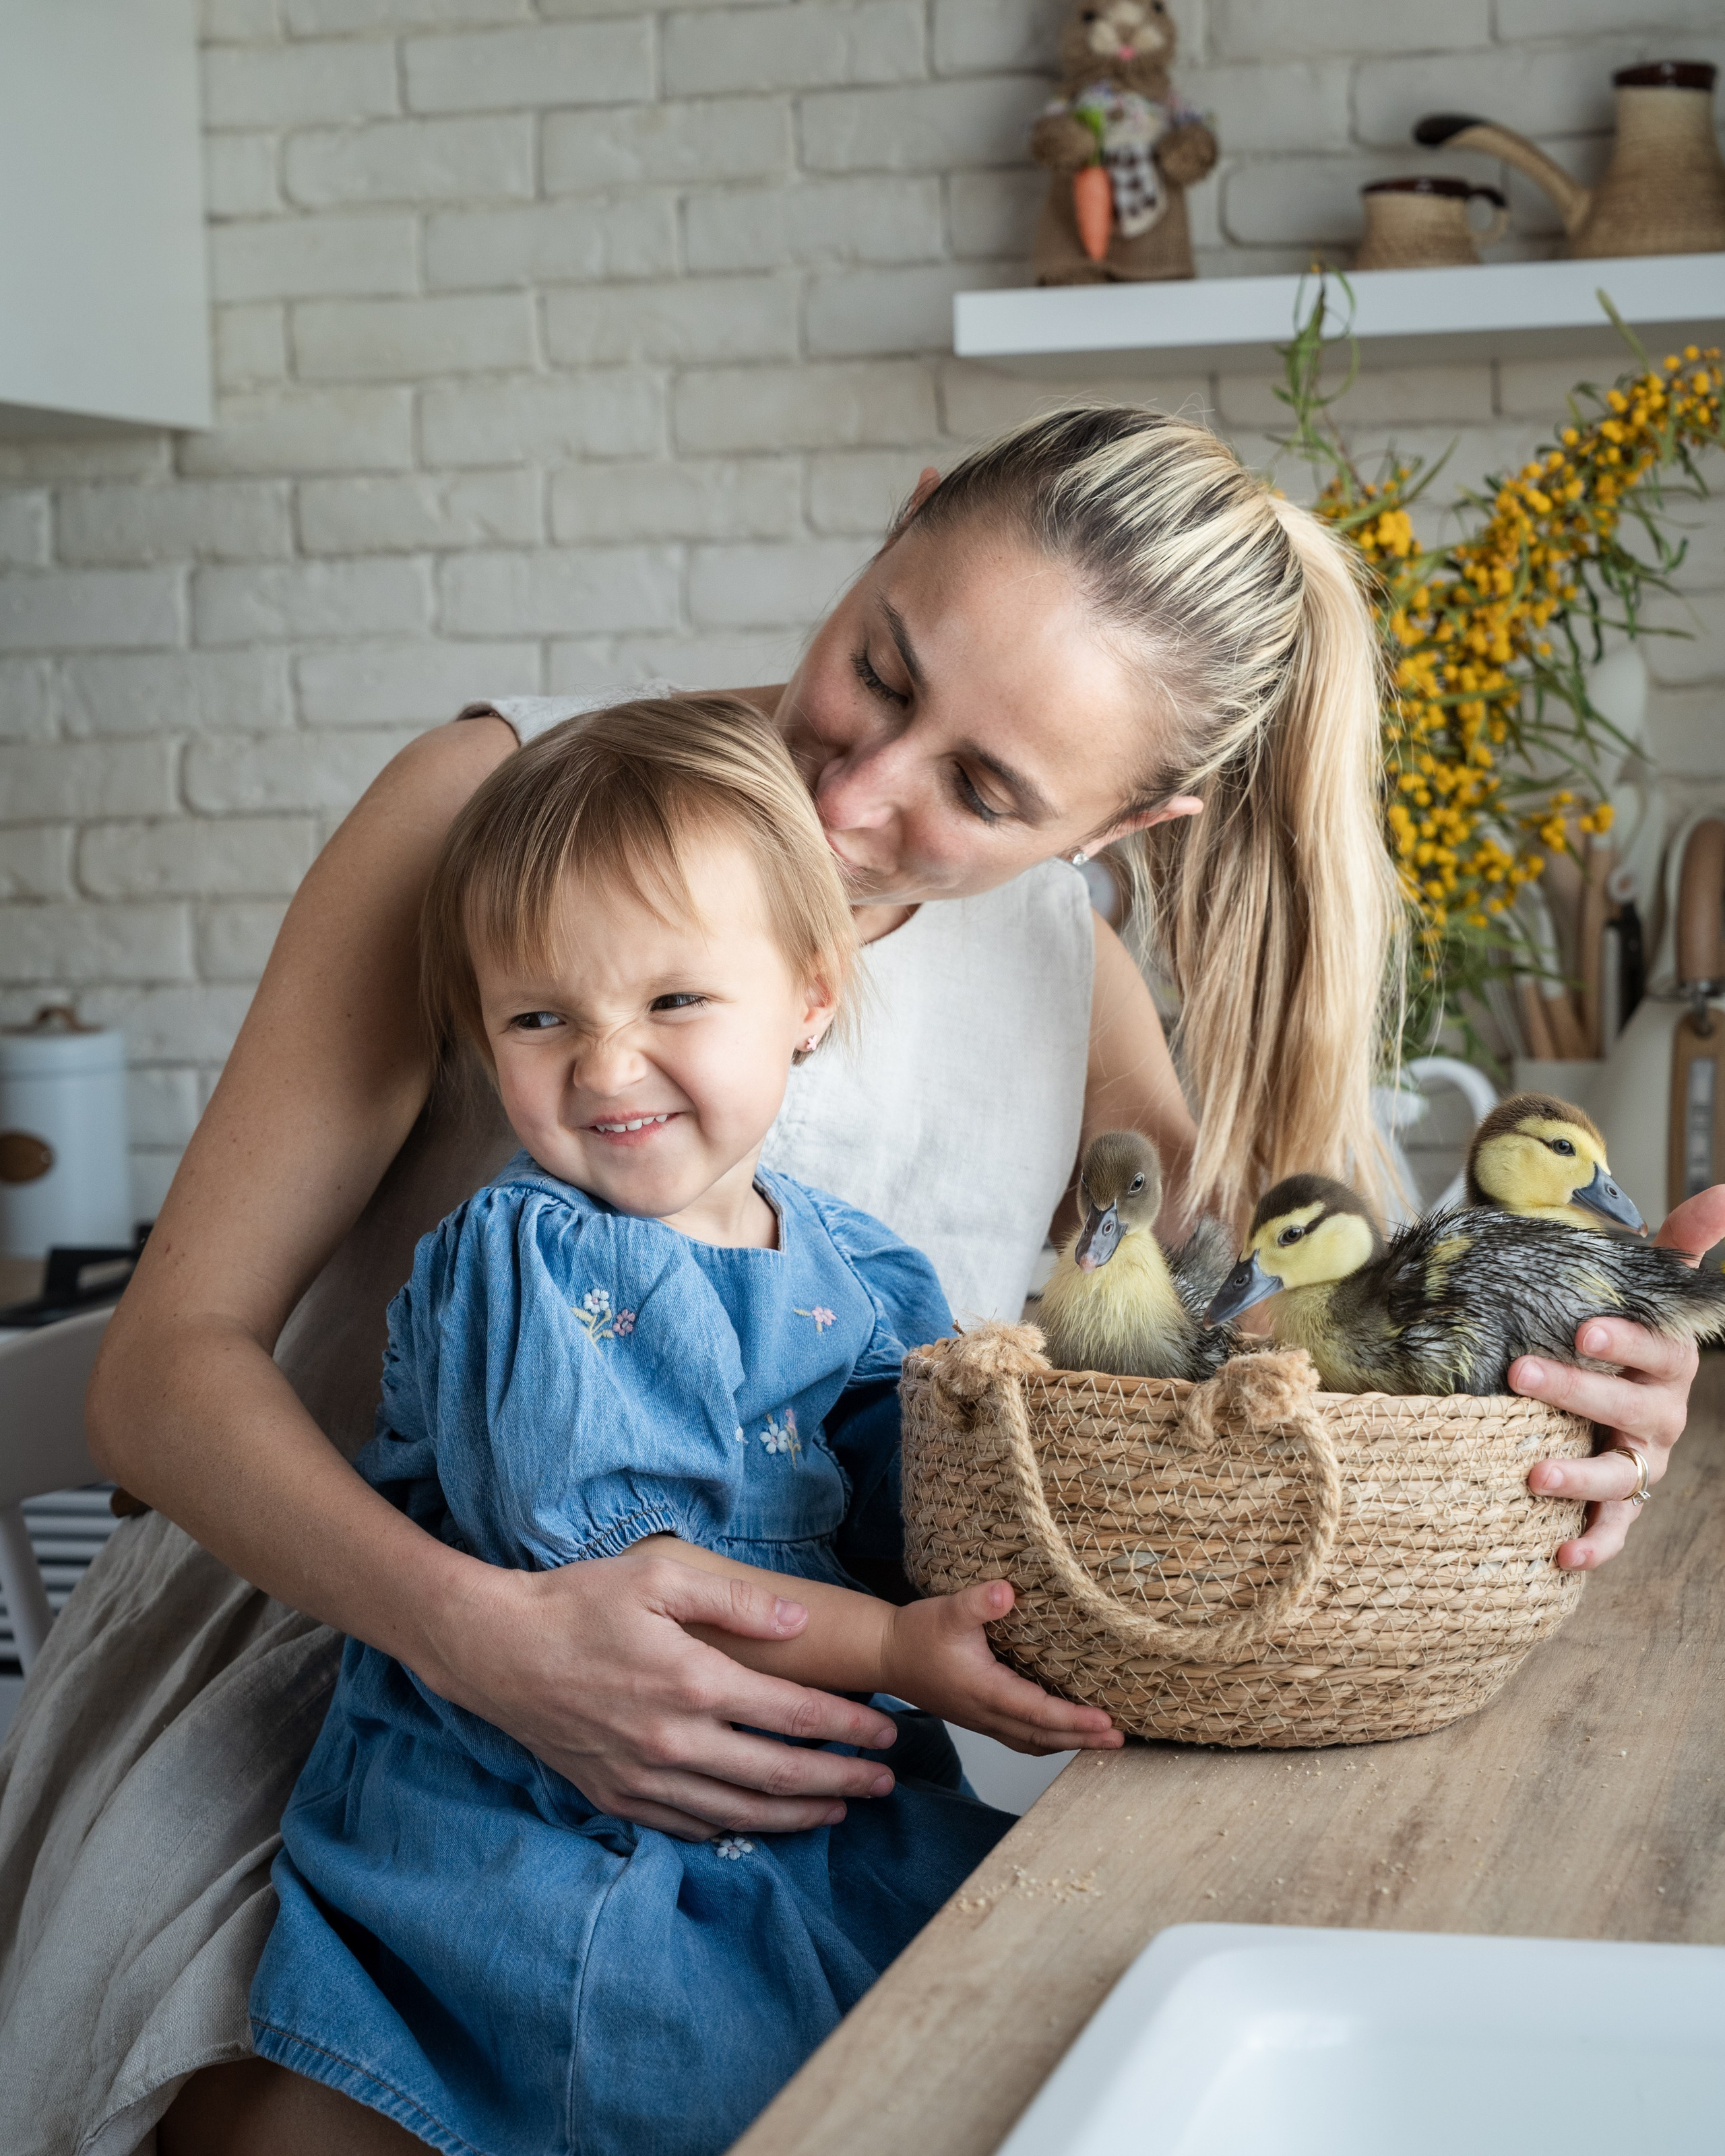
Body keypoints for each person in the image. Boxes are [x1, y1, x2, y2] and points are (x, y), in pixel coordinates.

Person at [0, 410, 1708, 2156]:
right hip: (348, 1686)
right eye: (880, 669)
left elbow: (1259, 1362)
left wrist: (1574, 1373)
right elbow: (163, 1376)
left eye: (986, 791)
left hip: (797, 1760)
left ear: (1131, 820)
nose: (861, 792)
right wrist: (493, 1640)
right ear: (898, 529)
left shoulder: (1062, 959)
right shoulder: (503, 799)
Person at [249, 695, 1115, 2153]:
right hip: (548, 1797)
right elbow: (632, 1584)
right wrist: (899, 1649)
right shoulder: (522, 1259)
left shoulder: (861, 1268)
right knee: (688, 2062)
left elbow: (916, 1512)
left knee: (1021, 1975)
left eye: (670, 1003)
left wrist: (1007, 1541)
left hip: (798, 1767)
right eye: (542, 1018)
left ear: (806, 998)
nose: (602, 1065)